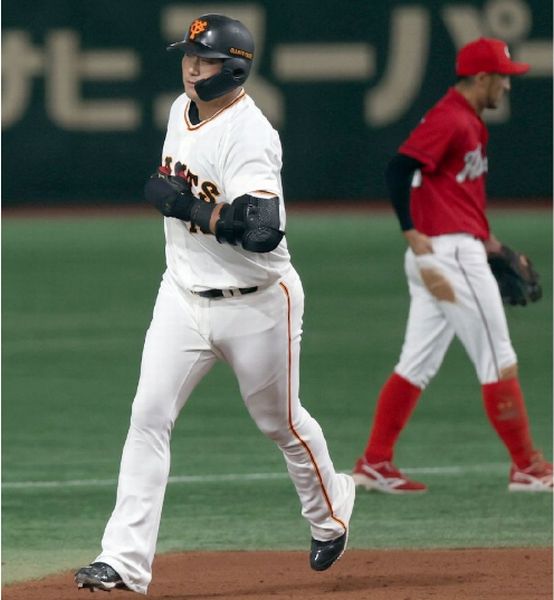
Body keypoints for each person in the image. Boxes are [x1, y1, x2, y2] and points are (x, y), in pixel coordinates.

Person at [75, 14, 355, 594]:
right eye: (188, 56)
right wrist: (178, 200)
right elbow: (173, 183)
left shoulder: (250, 134)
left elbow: (262, 230)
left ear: (233, 69)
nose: (191, 67)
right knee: (148, 417)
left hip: (257, 305)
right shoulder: (182, 111)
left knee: (280, 423)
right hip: (181, 296)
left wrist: (187, 208)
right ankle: (123, 562)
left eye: (203, 59)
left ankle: (331, 511)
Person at [352, 37, 553, 494]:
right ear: (481, 78)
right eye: (502, 77)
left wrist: (492, 245)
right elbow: (398, 169)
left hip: (445, 255)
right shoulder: (452, 119)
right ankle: (527, 466)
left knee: (416, 363)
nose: (506, 85)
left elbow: (455, 195)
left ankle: (375, 462)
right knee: (498, 358)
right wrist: (409, 229)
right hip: (449, 256)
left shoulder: (466, 119)